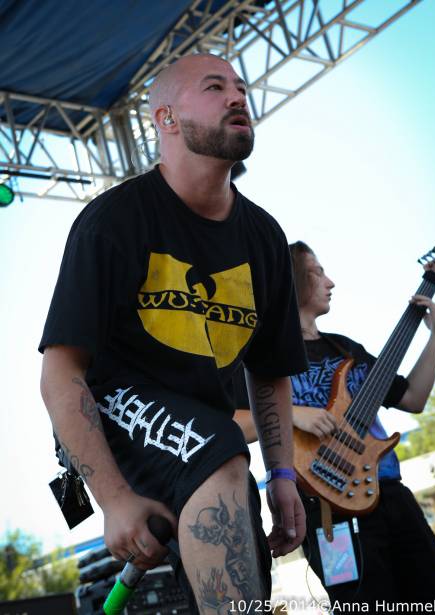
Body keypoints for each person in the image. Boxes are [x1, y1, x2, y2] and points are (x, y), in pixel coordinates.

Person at [39, 53, 308, 614]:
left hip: (206, 428)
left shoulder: (263, 238)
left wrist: (283, 474)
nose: (237, 96)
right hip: (111, 409)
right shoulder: (112, 221)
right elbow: (60, 374)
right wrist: (113, 499)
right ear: (165, 118)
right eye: (214, 87)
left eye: (240, 87)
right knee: (218, 447)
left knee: (245, 566)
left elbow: (269, 373)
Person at [234, 240, 435, 613]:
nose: (329, 281)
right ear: (293, 279)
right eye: (317, 272)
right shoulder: (262, 359)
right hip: (325, 514)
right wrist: (291, 412)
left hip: (390, 495)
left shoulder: (346, 349)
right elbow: (232, 426)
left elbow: (413, 398)